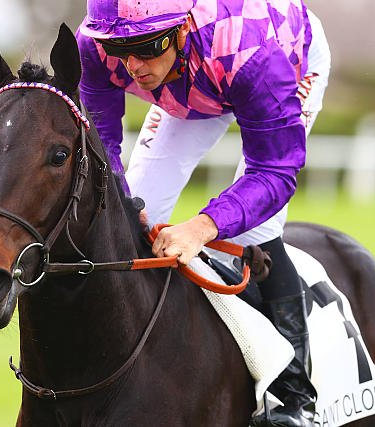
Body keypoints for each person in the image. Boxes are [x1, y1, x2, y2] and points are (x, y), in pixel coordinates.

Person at [76, 0, 330, 425]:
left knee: (253, 232)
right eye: (119, 49)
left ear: (179, 29)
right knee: (129, 212)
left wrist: (202, 227)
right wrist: (124, 201)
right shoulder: (93, 44)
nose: (133, 65)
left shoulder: (254, 56)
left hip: (269, 56)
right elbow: (103, 144)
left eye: (146, 46)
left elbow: (275, 172)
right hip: (195, 73)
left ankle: (294, 398)